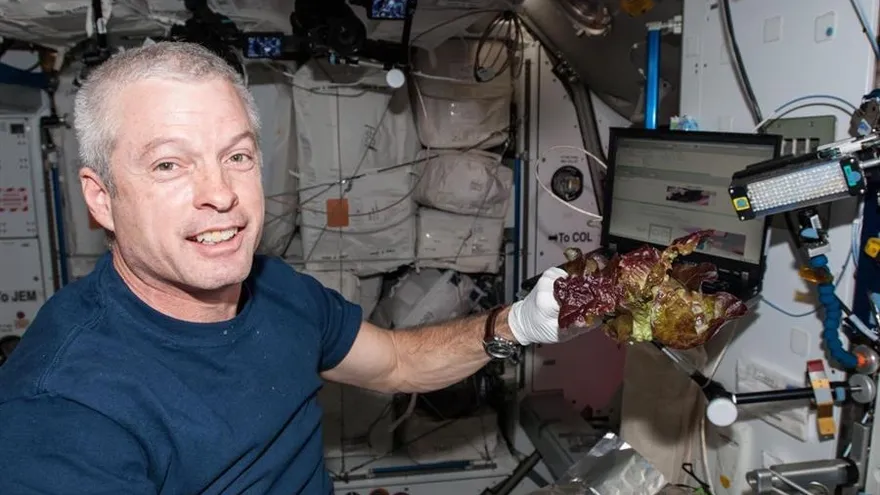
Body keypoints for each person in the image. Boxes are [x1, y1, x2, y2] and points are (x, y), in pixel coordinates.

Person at [0, 42, 588, 494]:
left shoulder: (270, 285)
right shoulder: (61, 408)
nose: (220, 194)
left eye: (236, 156)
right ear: (100, 197)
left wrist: (520, 324)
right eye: (169, 165)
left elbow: (398, 363)